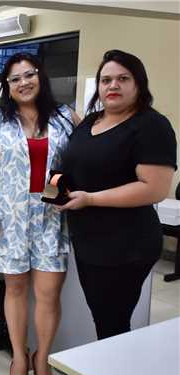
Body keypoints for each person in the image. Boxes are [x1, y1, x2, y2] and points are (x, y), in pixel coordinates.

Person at [0, 53, 80, 375]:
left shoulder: (65, 117)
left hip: (52, 218)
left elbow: (88, 157)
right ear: (8, 86)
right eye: (15, 78)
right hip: (9, 219)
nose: (23, 83)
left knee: (49, 293)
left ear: (40, 76)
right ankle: (19, 358)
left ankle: (42, 358)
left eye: (29, 75)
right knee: (15, 290)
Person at [61, 49, 176, 340]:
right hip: (88, 240)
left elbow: (154, 188)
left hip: (126, 244)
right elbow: (78, 165)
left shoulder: (151, 125)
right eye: (106, 79)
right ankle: (106, 371)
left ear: (139, 84)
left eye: (123, 78)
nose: (113, 85)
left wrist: (91, 199)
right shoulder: (91, 122)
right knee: (101, 315)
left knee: (112, 321)